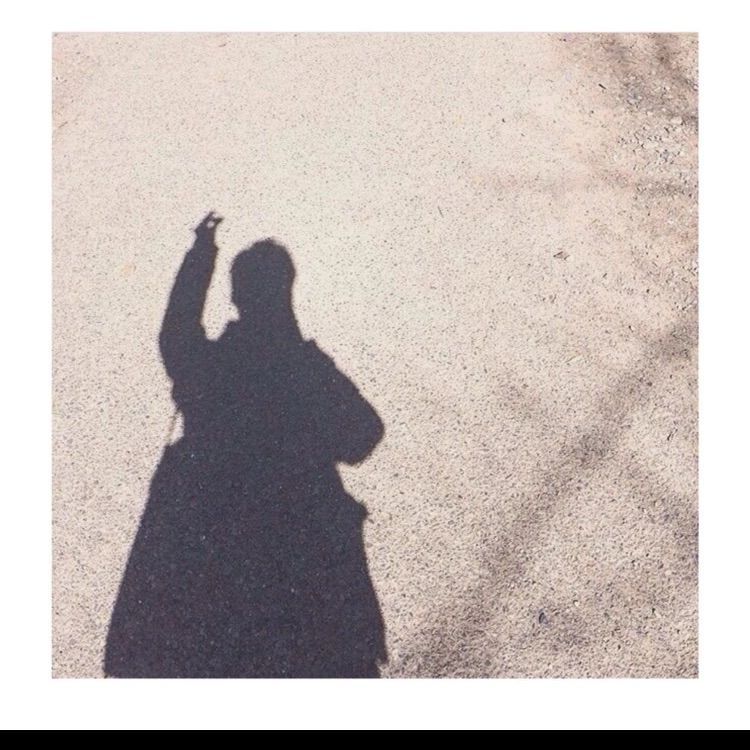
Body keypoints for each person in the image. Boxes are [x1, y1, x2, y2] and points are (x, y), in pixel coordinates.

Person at [105, 212, 386, 677]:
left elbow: (176, 329)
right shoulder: (307, 373)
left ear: (236, 296)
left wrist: (201, 254)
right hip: (302, 560)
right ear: (287, 293)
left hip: (214, 556)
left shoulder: (207, 366)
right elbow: (364, 435)